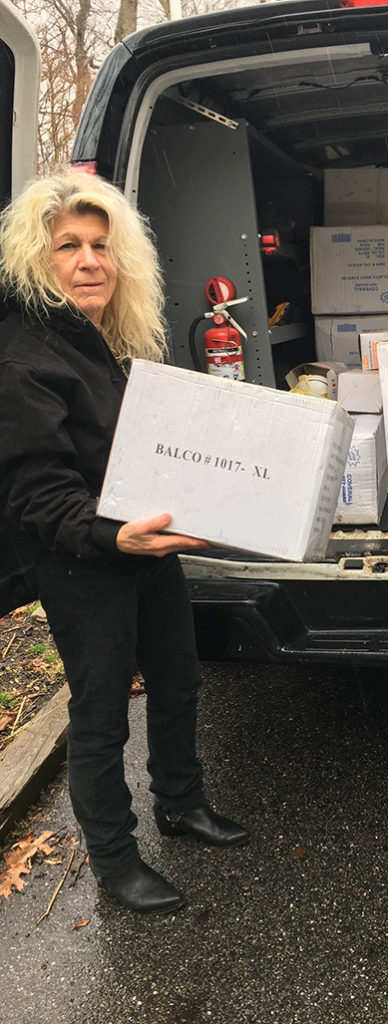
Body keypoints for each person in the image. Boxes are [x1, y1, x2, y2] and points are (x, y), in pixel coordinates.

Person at [0, 172, 250, 915]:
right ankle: (113, 857)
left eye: (102, 246)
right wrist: (117, 537)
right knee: (102, 710)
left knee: (178, 678)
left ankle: (181, 801)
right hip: (84, 560)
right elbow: (37, 496)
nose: (89, 261)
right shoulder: (22, 357)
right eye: (68, 247)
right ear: (32, 260)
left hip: (145, 547)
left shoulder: (100, 339)